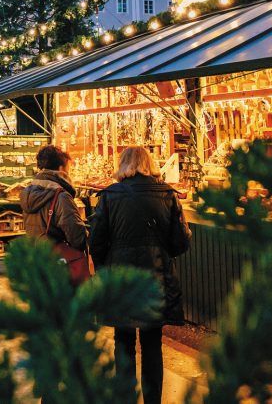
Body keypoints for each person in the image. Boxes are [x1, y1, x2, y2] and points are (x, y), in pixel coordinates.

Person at [88, 147, 192, 404]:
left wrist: (105, 271)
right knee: (152, 344)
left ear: (123, 165)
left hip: (121, 280)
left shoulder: (110, 196)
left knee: (123, 342)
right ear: (150, 164)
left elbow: (96, 241)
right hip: (155, 278)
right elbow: (180, 242)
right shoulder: (167, 194)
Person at [19, 145, 87, 253]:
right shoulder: (61, 196)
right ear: (61, 169)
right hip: (57, 259)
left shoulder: (28, 193)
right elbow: (77, 237)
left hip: (36, 256)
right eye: (68, 168)